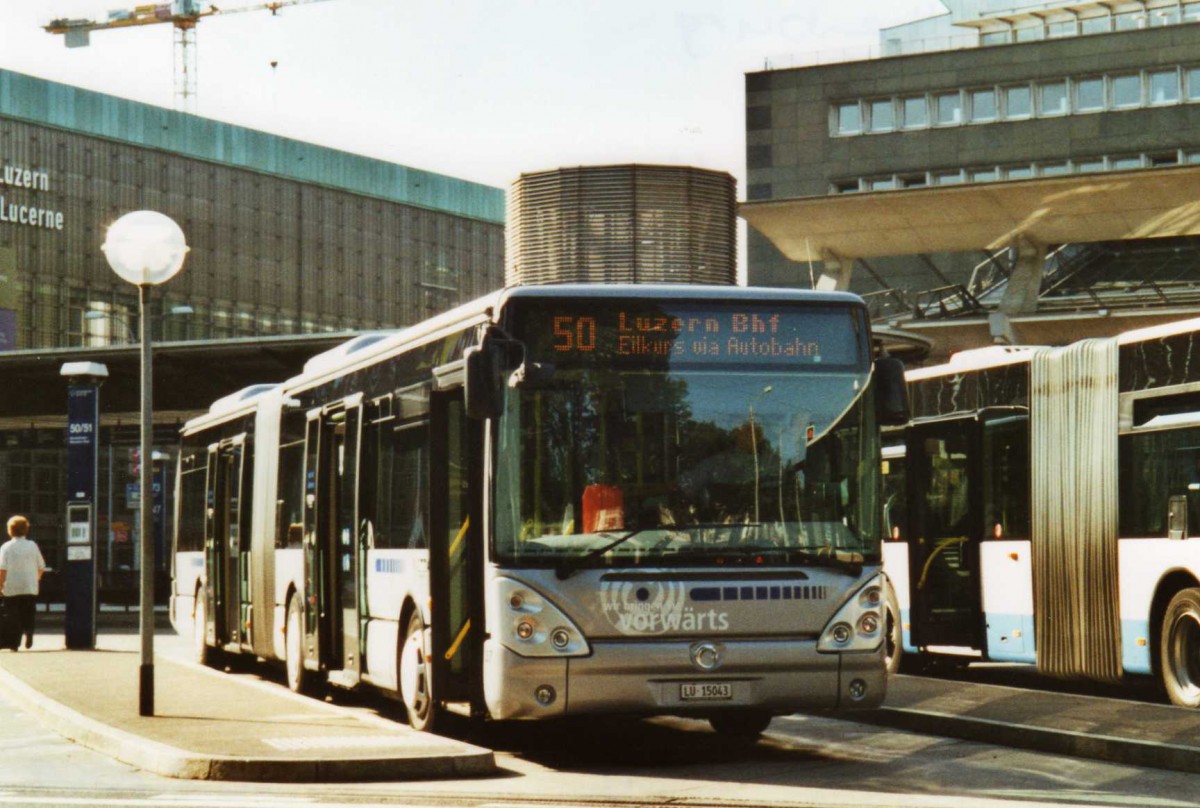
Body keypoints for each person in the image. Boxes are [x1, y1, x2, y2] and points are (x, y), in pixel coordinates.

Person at [0, 515, 46, 650]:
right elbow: (41, 567)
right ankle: (29, 632)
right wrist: (35, 579)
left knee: (13, 616)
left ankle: (14, 643)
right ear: (26, 530)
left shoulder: (6, 547)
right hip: (29, 587)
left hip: (11, 588)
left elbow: (2, 569)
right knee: (28, 612)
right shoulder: (33, 546)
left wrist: (0, 584)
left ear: (10, 530)